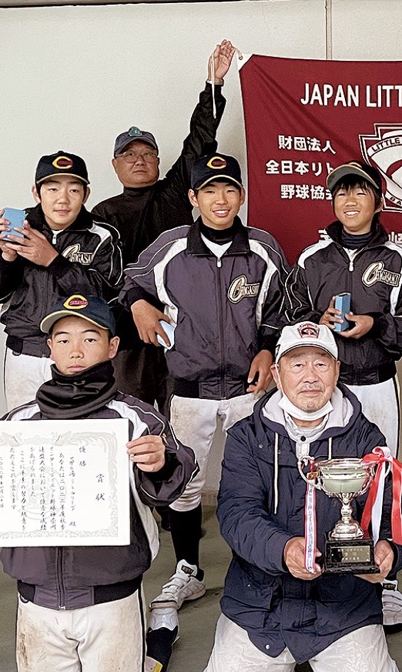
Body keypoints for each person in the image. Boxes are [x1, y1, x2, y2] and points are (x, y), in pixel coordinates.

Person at [0, 294, 197, 672]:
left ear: (111, 347)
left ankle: (159, 632)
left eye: (90, 337)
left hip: (111, 592)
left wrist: (162, 462)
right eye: (63, 338)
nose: (75, 349)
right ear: (49, 348)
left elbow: (178, 479)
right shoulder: (17, 424)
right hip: (37, 596)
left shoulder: (135, 418)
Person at [191, 321, 402, 672]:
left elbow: (389, 514)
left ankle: (348, 659)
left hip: (341, 606)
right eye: (296, 364)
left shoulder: (367, 437)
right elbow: (236, 514)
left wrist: (387, 551)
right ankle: (275, 663)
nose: (310, 375)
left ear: (337, 371)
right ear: (276, 373)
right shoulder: (246, 437)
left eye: (321, 363)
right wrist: (284, 549)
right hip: (262, 603)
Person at [122, 152, 287, 617]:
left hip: (247, 388)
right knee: (186, 483)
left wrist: (269, 347)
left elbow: (281, 310)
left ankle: (256, 567)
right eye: (209, 190)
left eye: (230, 189)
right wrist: (138, 304)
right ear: (193, 197)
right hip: (189, 387)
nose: (221, 199)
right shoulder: (171, 247)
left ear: (242, 194)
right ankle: (189, 571)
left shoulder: (262, 249)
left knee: (259, 482)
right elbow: (128, 282)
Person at [285, 159, 402, 631]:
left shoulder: (398, 260)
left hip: (375, 382)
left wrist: (375, 325)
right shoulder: (312, 259)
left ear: (379, 201)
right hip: (321, 391)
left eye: (360, 192)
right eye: (341, 192)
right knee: (316, 477)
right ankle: (321, 568)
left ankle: (386, 583)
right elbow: (289, 319)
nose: (350, 200)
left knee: (381, 479)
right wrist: (317, 326)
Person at [94, 39, 237, 409]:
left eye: (147, 153)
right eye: (130, 155)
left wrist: (213, 85)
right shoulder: (101, 215)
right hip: (128, 332)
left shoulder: (174, 193)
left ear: (158, 160)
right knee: (132, 422)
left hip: (181, 328)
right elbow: (100, 278)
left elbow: (200, 141)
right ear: (115, 165)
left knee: (181, 427)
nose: (139, 160)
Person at [0, 151, 123, 411]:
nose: (62, 199)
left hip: (81, 353)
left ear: (86, 195)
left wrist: (55, 262)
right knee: (25, 434)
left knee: (81, 434)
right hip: (25, 353)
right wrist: (6, 258)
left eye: (73, 190)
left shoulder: (101, 235)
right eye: (52, 189)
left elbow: (109, 296)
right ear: (36, 192)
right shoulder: (17, 228)